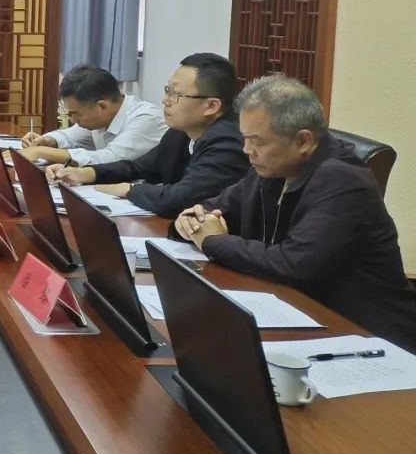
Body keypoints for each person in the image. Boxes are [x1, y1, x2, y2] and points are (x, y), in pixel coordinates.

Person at [174, 75, 416, 351]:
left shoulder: (344, 181)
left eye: (256, 141)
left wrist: (212, 240)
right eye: (245, 138)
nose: (247, 150)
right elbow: (216, 206)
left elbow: (293, 264)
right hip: (298, 315)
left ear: (303, 140)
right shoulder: (273, 168)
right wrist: (192, 219)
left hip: (368, 338)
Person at [52, 53, 249, 217]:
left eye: (176, 94)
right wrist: (85, 173)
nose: (165, 100)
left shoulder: (227, 143)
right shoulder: (179, 133)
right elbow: (137, 167)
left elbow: (178, 199)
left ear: (211, 106)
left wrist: (130, 189)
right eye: (167, 91)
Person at [20, 64, 165, 166]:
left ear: (102, 106)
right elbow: (70, 136)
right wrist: (48, 141)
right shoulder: (99, 118)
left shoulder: (146, 119)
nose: (72, 120)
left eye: (75, 114)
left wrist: (41, 152)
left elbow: (110, 159)